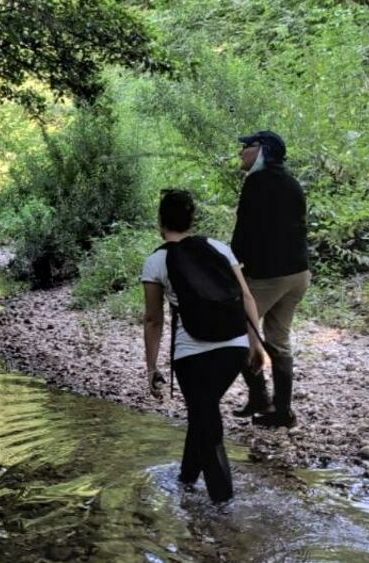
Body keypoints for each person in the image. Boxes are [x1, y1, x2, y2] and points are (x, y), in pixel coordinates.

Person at [141, 189, 266, 503]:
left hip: (192, 354)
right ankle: (186, 479)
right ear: (192, 219)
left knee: (206, 421)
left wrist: (152, 368)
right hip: (235, 346)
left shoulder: (156, 260)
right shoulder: (218, 247)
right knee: (202, 413)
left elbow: (153, 320)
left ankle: (223, 508)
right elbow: (246, 297)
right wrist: (255, 344)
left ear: (160, 221)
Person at [231, 131, 310, 428]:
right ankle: (283, 411)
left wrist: (232, 264)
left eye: (246, 146)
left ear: (262, 150)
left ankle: (259, 397)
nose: (241, 151)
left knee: (235, 331)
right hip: (298, 274)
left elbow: (245, 230)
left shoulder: (256, 182)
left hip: (269, 277)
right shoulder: (292, 182)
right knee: (278, 340)